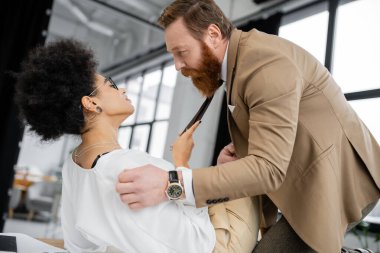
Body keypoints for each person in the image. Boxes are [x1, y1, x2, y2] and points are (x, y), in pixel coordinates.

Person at [115, 1, 380, 252]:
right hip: (304, 180)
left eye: (181, 53)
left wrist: (169, 184)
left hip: (342, 182)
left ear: (213, 34)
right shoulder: (241, 63)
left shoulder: (264, 63)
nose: (177, 66)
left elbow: (268, 168)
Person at [15, 39, 259, 253]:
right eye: (110, 84)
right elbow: (197, 244)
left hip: (199, 227)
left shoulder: (74, 165)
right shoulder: (127, 165)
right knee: (257, 163)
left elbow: (78, 247)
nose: (120, 88)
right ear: (91, 104)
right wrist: (182, 164)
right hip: (216, 245)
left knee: (229, 171)